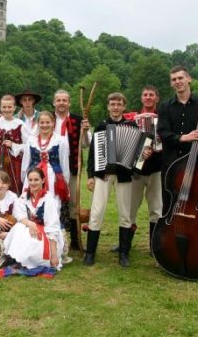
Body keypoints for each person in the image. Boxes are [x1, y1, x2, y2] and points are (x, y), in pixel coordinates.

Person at [84, 92, 137, 268]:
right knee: (97, 211)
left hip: (124, 175)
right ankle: (90, 253)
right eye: (112, 104)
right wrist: (90, 175)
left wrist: (139, 160)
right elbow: (92, 153)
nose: (115, 107)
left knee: (125, 213)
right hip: (103, 174)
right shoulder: (101, 126)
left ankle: (124, 253)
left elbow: (138, 151)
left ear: (124, 106)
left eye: (119, 104)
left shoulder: (132, 126)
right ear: (108, 106)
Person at [157, 65, 198, 212]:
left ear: (188, 79)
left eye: (180, 78)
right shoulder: (165, 106)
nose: (177, 81)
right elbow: (163, 133)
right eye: (174, 79)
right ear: (171, 83)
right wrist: (185, 137)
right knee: (169, 206)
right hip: (171, 165)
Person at [116, 86, 163, 255]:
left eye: (151, 95)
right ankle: (125, 244)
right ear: (141, 98)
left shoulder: (164, 117)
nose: (148, 97)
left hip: (157, 168)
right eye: (145, 95)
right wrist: (139, 151)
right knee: (130, 207)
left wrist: (157, 146)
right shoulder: (131, 118)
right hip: (136, 169)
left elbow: (167, 139)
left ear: (157, 98)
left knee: (156, 208)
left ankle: (154, 245)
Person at [3, 167, 64, 271]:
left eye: (36, 180)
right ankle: (20, 260)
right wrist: (30, 224)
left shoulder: (49, 199)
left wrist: (54, 255)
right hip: (29, 228)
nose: (33, 183)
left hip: (45, 233)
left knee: (33, 243)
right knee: (18, 228)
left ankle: (29, 260)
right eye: (30, 180)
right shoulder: (24, 196)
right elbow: (19, 214)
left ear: (43, 180)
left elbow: (52, 227)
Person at [52, 89, 90, 250]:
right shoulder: (48, 119)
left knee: (73, 203)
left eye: (64, 100)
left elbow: (85, 144)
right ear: (54, 102)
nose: (61, 103)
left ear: (69, 103)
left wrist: (86, 132)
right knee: (53, 202)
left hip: (73, 167)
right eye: (58, 100)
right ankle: (54, 238)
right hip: (52, 168)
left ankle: (75, 240)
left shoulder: (77, 120)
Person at [21, 111, 70, 204]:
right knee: (30, 202)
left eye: (48, 122)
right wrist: (25, 179)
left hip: (53, 178)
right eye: (42, 122)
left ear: (53, 123)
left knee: (52, 203)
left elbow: (64, 163)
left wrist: (64, 182)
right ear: (38, 124)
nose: (45, 125)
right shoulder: (31, 141)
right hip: (33, 177)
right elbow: (25, 162)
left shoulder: (60, 140)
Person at [0, 94, 28, 195]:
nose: (7, 109)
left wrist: (13, 145)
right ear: (0, 107)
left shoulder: (21, 124)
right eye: (4, 107)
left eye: (9, 107)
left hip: (14, 163)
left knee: (14, 187)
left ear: (14, 108)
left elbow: (28, 146)